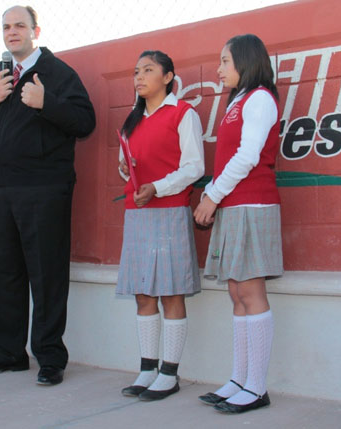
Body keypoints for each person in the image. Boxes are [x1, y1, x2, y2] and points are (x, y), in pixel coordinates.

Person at [0, 5, 95, 385]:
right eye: (6, 26)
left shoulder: (57, 73)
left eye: (20, 25)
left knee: (47, 274)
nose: (12, 31)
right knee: (3, 274)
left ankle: (50, 358)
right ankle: (8, 354)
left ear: (36, 30)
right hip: (0, 189)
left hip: (43, 188)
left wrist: (46, 102)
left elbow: (86, 121)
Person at [194, 34, 282, 414]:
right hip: (233, 203)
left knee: (250, 293)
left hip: (253, 203)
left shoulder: (260, 97)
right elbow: (230, 158)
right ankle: (239, 379)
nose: (219, 69)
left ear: (246, 62)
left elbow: (248, 156)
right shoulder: (238, 100)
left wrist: (213, 195)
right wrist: (211, 194)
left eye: (225, 62)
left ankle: (257, 388)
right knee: (236, 294)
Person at [116, 51, 204, 401]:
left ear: (168, 77)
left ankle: (170, 373)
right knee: (143, 292)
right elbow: (125, 166)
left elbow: (194, 167)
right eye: (136, 71)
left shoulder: (184, 114)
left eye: (148, 70)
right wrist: (127, 169)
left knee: (171, 292)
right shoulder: (130, 121)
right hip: (137, 212)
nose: (139, 77)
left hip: (169, 210)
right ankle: (147, 368)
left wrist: (158, 187)